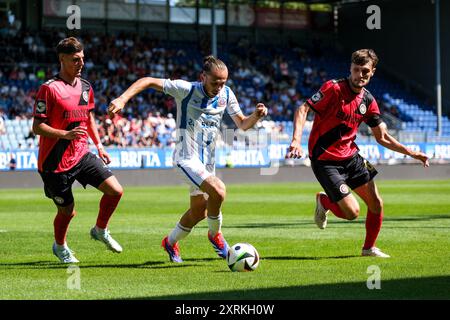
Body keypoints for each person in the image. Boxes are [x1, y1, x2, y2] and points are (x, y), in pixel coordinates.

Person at [109, 55, 268, 263]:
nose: (219, 87)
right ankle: (215, 235)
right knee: (219, 190)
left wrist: (256, 115)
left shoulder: (227, 94)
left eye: (223, 83)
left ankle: (170, 242)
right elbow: (147, 80)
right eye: (215, 82)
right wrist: (122, 99)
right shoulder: (186, 89)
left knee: (198, 213)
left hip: (207, 163)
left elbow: (243, 124)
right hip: (185, 158)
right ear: (203, 77)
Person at [286, 49, 429, 258]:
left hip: (352, 157)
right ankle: (325, 202)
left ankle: (369, 248)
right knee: (352, 213)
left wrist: (411, 153)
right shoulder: (333, 89)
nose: (359, 75)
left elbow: (383, 137)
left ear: (372, 73)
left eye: (365, 71)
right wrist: (296, 141)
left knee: (376, 202)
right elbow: (302, 109)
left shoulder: (369, 101)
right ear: (350, 69)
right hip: (325, 161)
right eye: (356, 70)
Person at [32, 37, 124, 263]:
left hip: (81, 153)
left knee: (115, 191)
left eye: (82, 59)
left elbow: (89, 116)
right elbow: (37, 127)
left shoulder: (86, 87)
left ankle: (100, 230)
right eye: (75, 59)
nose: (81, 63)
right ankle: (60, 246)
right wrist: (65, 135)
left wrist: (99, 145)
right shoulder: (49, 89)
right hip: (55, 163)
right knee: (68, 212)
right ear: (62, 59)